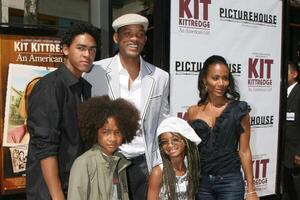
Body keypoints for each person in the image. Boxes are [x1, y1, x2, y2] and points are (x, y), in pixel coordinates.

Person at [84, 13, 170, 199]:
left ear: (145, 39)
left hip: (144, 163)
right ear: (116, 38)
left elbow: (163, 122)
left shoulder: (160, 77)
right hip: (109, 160)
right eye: (128, 33)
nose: (134, 38)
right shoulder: (94, 71)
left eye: (140, 34)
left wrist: (161, 163)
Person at [26, 23, 99, 200]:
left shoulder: (82, 87)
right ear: (65, 49)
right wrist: (58, 195)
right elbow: (45, 146)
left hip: (74, 185)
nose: (87, 55)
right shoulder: (50, 87)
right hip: (50, 191)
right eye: (81, 48)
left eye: (92, 50)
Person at [187, 55, 259, 200]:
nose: (221, 83)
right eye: (215, 78)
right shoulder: (193, 112)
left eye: (225, 78)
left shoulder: (239, 110)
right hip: (202, 183)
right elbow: (191, 152)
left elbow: (244, 151)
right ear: (204, 80)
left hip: (230, 182)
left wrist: (251, 189)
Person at [67, 96, 140, 200]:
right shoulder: (83, 163)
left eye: (118, 132)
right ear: (95, 131)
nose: (112, 138)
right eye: (106, 132)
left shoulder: (121, 162)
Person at [147, 117, 201, 200]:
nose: (169, 145)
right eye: (164, 142)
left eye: (175, 140)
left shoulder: (190, 168)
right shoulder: (158, 172)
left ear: (186, 141)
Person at [282, 61, 300, 200]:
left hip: (295, 155)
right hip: (284, 154)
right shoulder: (281, 94)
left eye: (285, 71)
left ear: (294, 74)